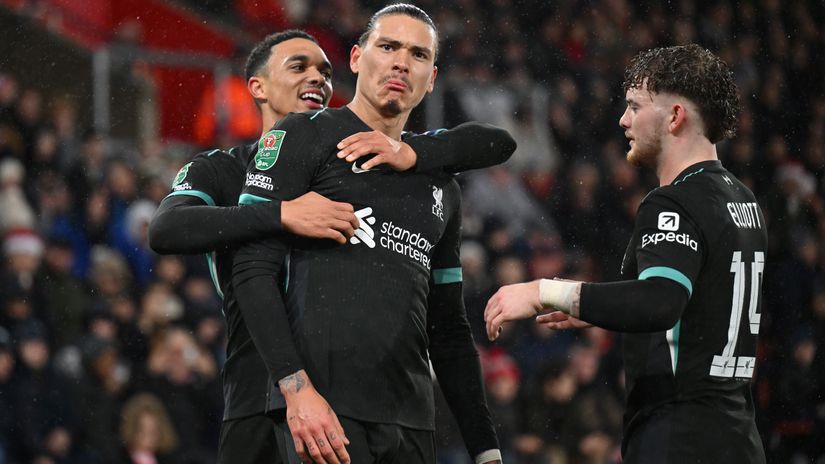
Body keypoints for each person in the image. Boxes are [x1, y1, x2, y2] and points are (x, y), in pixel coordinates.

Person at [151, 28, 513, 464]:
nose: (318, 80)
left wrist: (415, 151)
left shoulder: (352, 156)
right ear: (258, 87)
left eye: (325, 72)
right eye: (298, 66)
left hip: (340, 389)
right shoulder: (223, 169)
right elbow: (168, 228)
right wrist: (281, 213)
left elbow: (494, 142)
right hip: (256, 388)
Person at [484, 44, 767, 464]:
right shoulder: (743, 201)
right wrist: (601, 306)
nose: (623, 119)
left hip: (680, 437)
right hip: (737, 435)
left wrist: (545, 291)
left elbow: (660, 302)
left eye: (635, 106)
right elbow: (695, 307)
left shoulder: (672, 202)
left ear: (674, 117)